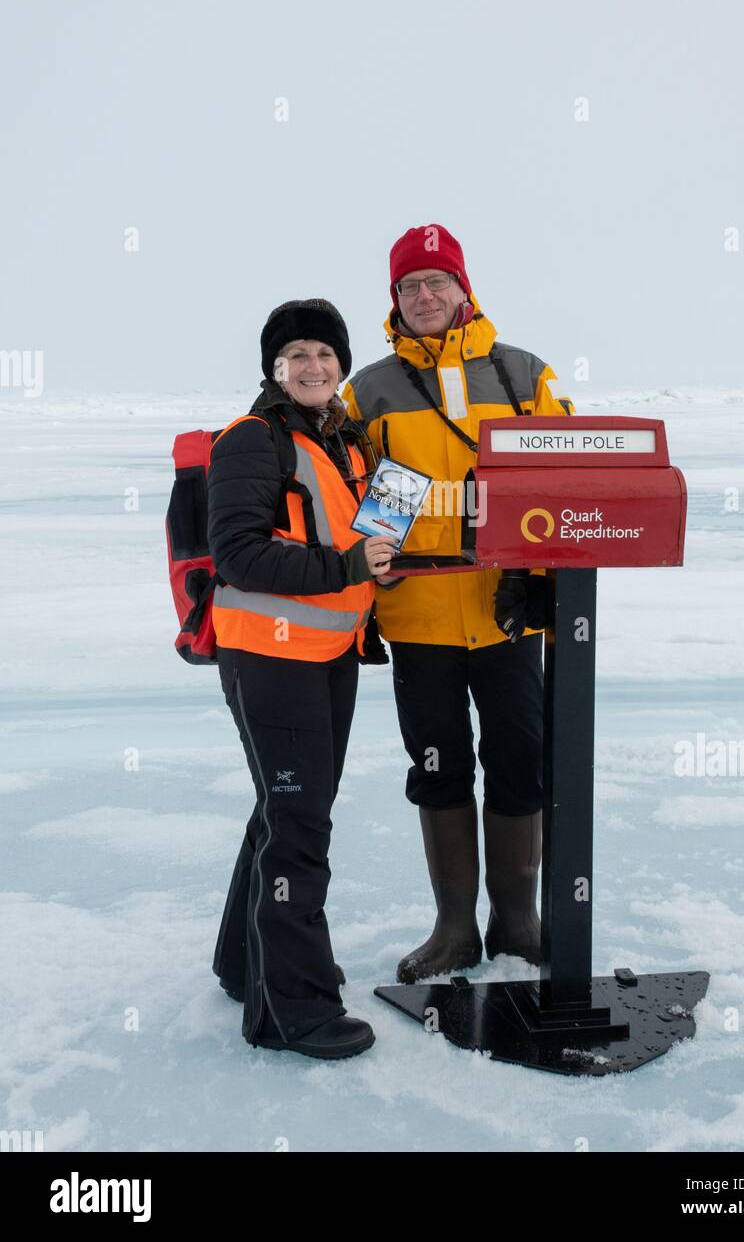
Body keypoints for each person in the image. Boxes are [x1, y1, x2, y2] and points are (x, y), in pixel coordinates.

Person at [341, 225, 574, 984]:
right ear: (395, 301)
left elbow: (563, 482)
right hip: (419, 620)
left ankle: (517, 919)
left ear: (464, 291)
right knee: (438, 766)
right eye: (411, 287)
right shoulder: (365, 390)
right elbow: (353, 496)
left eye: (438, 282)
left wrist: (535, 572)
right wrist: (369, 594)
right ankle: (453, 929)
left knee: (519, 762)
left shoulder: (524, 374)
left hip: (507, 614)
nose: (426, 297)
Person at [209, 298, 397, 1057]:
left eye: (325, 353)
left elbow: (363, 542)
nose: (313, 366)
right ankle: (293, 1011)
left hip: (330, 657)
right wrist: (348, 565)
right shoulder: (252, 442)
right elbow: (239, 555)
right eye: (296, 357)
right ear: (274, 370)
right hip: (269, 659)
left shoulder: (345, 445)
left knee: (283, 811)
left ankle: (246, 960)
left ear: (341, 365)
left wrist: (379, 560)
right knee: (299, 828)